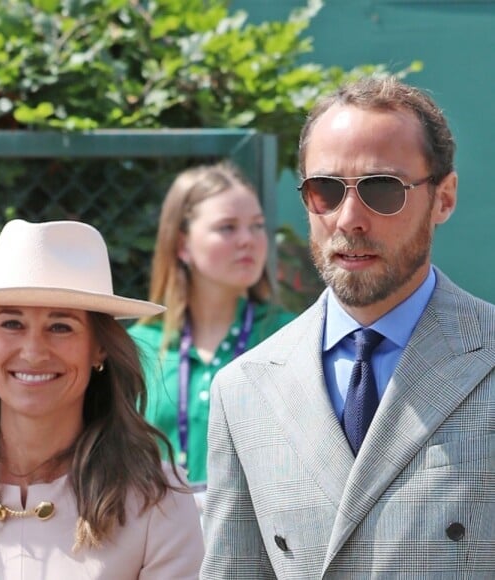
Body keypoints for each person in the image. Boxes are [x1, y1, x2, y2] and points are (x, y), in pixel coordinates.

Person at [201, 76, 495, 578]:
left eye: (383, 190)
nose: (350, 218)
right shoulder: (244, 389)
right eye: (326, 190)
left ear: (443, 198)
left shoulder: (484, 355)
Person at [0, 219, 204, 579]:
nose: (34, 352)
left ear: (98, 349)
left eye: (60, 327)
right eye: (12, 324)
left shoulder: (158, 499)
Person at [128, 162, 296, 497]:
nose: (248, 240)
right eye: (227, 227)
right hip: (159, 539)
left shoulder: (291, 338)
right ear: (182, 245)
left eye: (258, 226)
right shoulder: (138, 347)